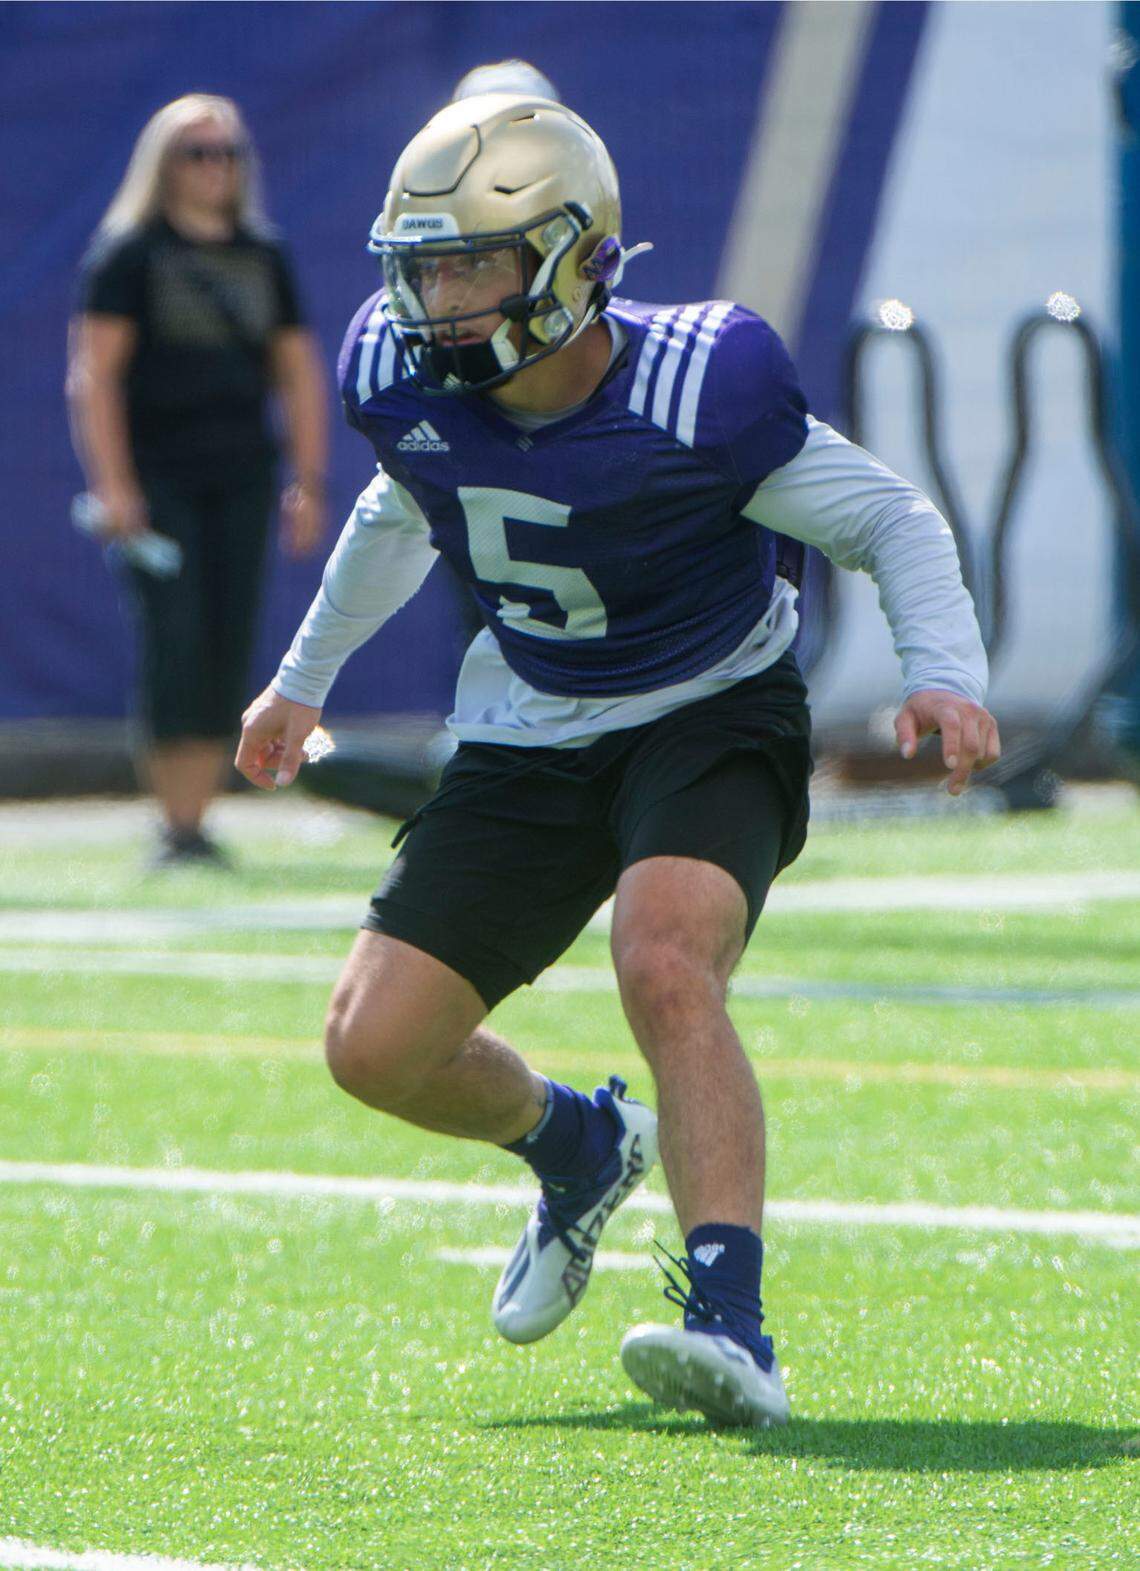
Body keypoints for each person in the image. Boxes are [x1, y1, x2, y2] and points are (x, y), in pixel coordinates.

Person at [236, 95, 1000, 1426]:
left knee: (664, 957)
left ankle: (730, 1320)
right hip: (532, 722)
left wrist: (944, 669)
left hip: (712, 705)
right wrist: (304, 679)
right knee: (374, 1048)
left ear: (577, 259)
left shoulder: (700, 388)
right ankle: (575, 1142)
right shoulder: (402, 378)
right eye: (424, 268)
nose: (440, 300)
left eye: (475, 264)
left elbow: (890, 517)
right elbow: (399, 504)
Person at [68, 93, 328, 867]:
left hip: (243, 475)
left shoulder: (263, 253)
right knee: (174, 643)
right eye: (197, 152)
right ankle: (176, 822)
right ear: (164, 164)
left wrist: (308, 481)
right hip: (159, 482)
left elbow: (298, 371)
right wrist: (115, 484)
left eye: (227, 152)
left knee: (228, 639)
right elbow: (95, 376)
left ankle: (201, 818)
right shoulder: (129, 254)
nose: (215, 167)